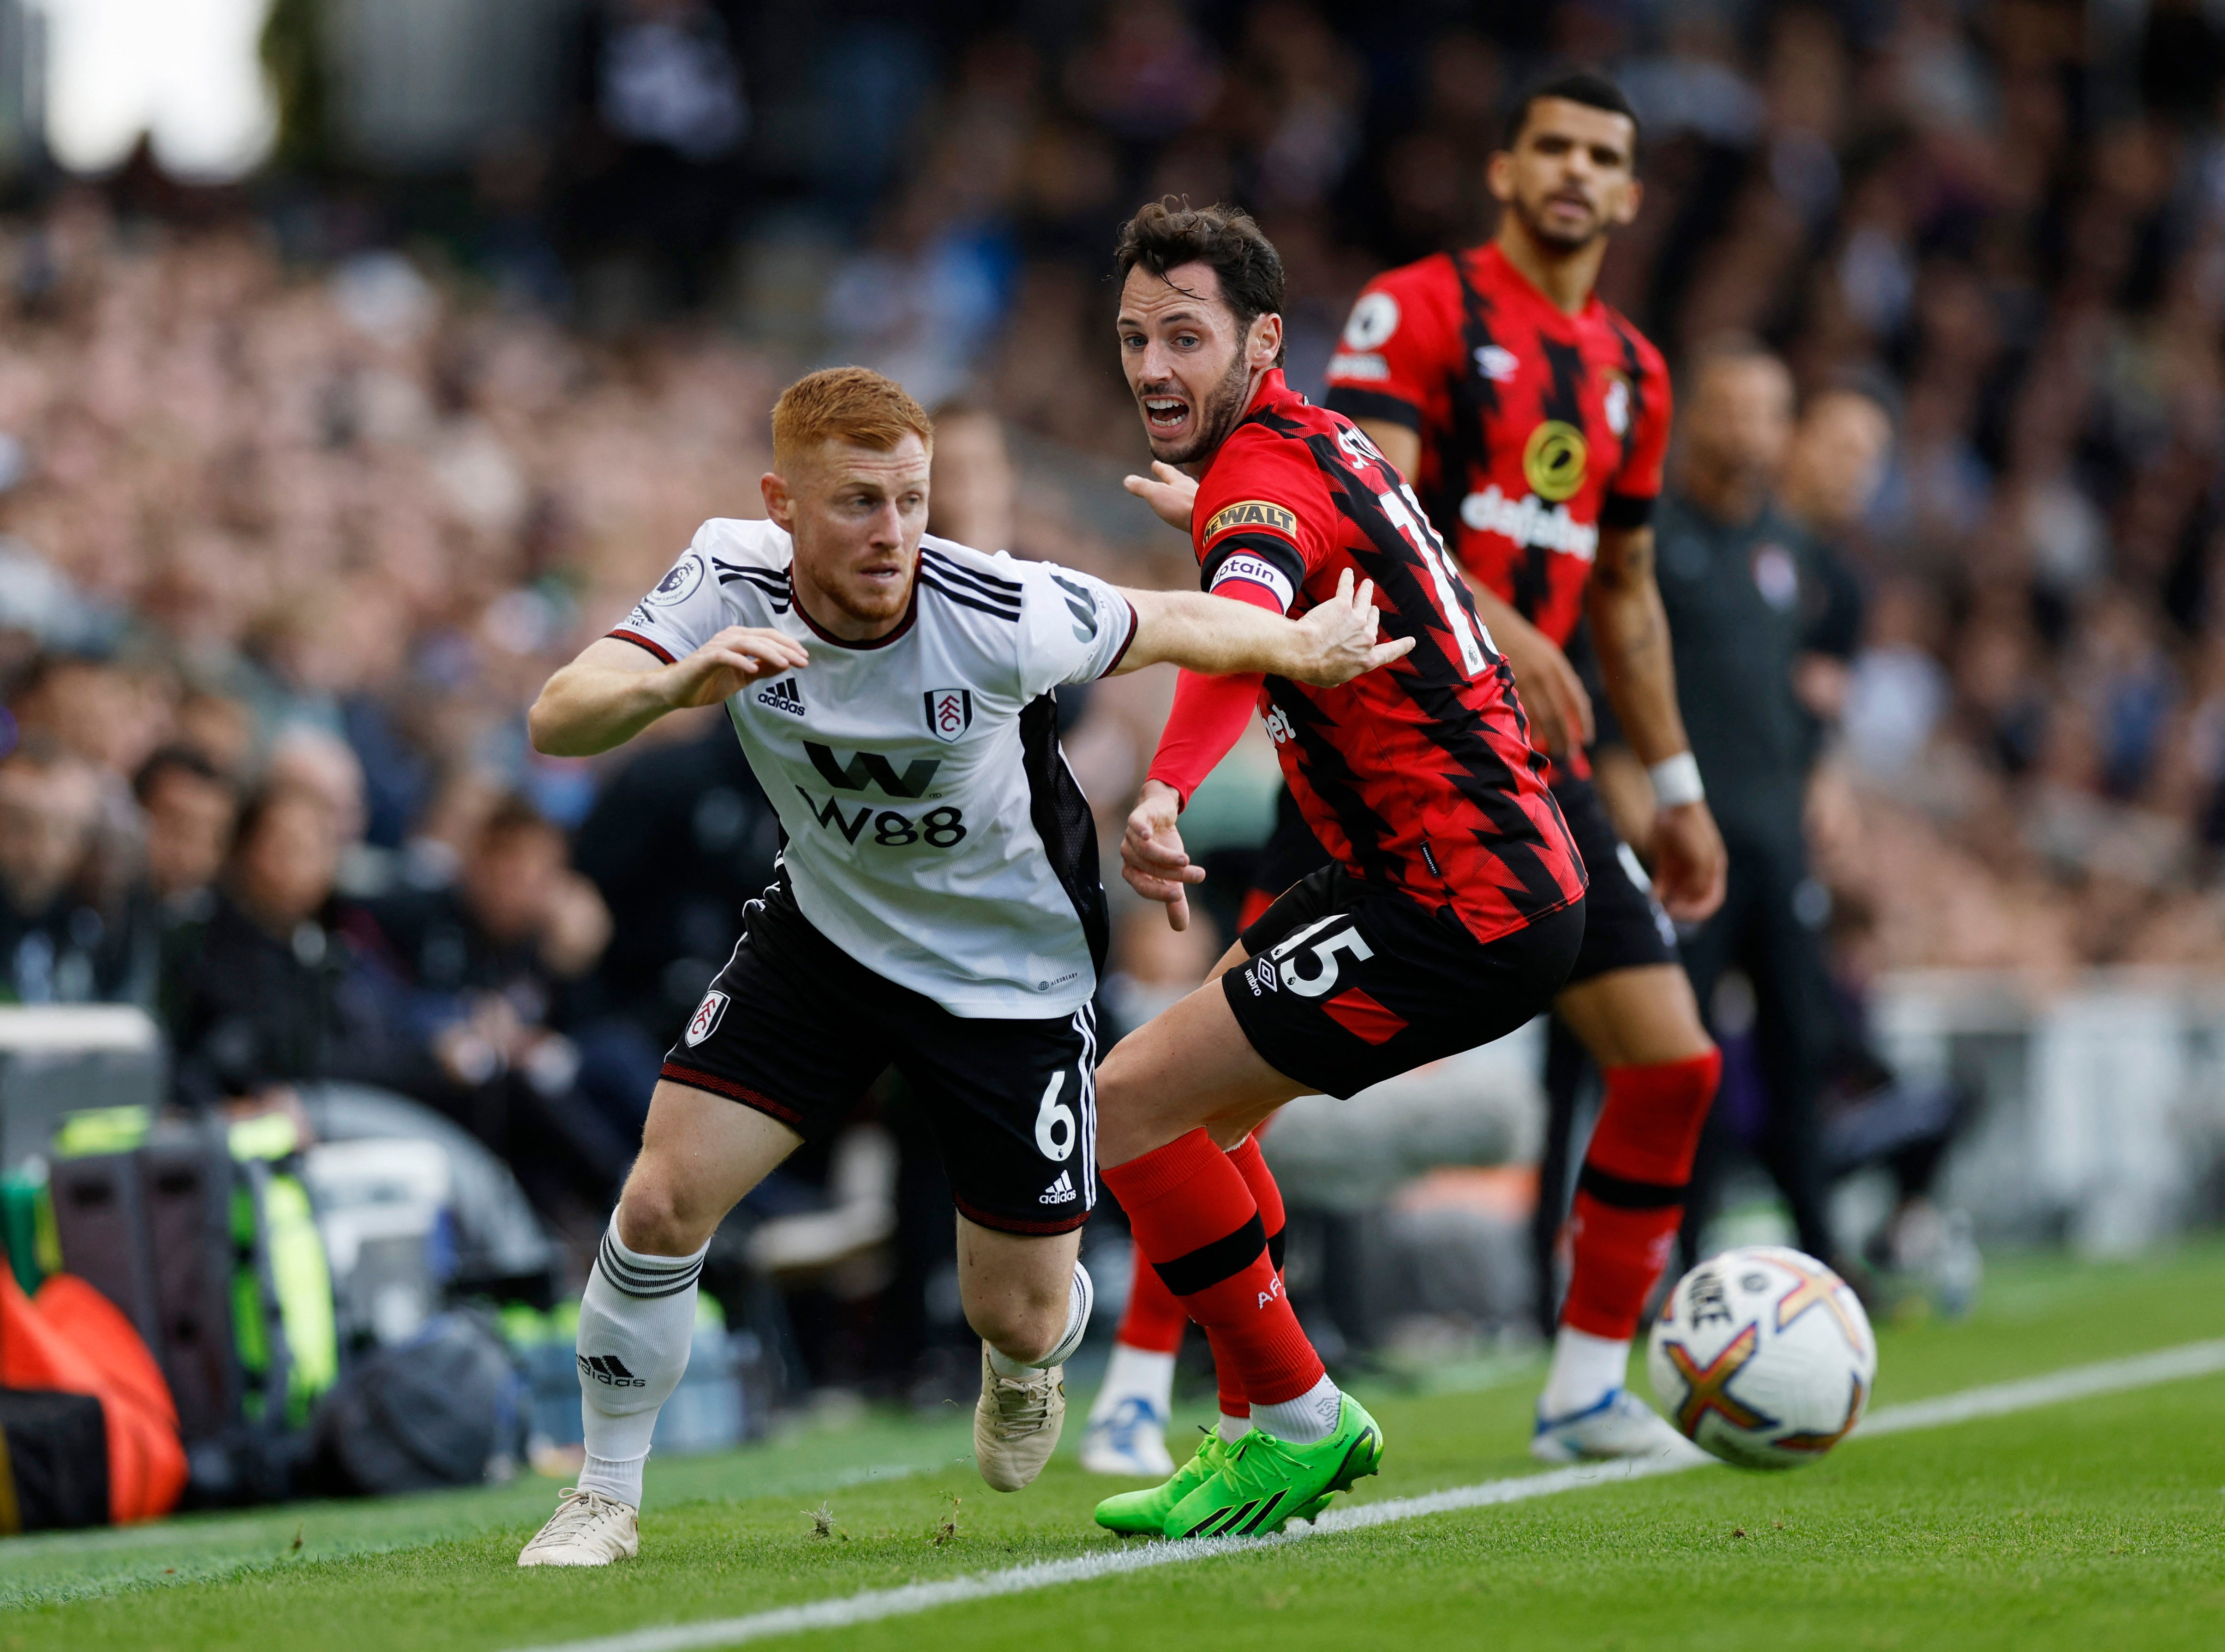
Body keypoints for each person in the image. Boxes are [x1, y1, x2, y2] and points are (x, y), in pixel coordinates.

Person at [511, 365, 1409, 1567]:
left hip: (1009, 975)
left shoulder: (994, 606)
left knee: (1015, 1312)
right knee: (662, 1197)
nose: (891, 533)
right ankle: (603, 1495)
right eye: (856, 502)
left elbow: (1174, 620)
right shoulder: (726, 574)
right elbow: (558, 713)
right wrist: (672, 684)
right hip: (824, 939)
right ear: (782, 504)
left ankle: (1029, 1352)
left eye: (910, 499)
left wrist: (1299, 642)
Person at [1089, 199, 1589, 1541]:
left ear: (1262, 340)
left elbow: (1239, 626)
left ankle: (1300, 1414)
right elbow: (1277, 569)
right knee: (1201, 1112)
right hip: (1437, 871)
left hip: (1455, 896)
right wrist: (1210, 519)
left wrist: (1163, 788)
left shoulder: (1260, 477)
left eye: (1184, 336)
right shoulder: (1310, 440)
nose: (1152, 367)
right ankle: (1255, 1426)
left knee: (1126, 1103)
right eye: (1133, 338)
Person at [1319, 71, 1728, 1463]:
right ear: (1502, 169)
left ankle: (1584, 1389)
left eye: (1601, 156)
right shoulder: (1417, 308)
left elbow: (1624, 587)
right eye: (1550, 146)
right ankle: (1195, 1371)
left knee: (1671, 1063)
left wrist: (1675, 784)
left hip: (1542, 769)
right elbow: (1368, 512)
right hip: (1397, 750)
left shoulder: (1633, 373)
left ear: (1629, 194)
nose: (1573, 171)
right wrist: (1498, 623)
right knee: (1244, 1070)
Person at [1641, 339, 1841, 1265]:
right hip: (1691, 839)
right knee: (1683, 1059)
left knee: (1799, 1047)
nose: (1748, 429)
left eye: (1766, 411)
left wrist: (1822, 777)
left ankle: (1822, 1251)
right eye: (1731, 408)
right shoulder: (1654, 540)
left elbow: (1800, 692)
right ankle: (1679, 1259)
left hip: (1777, 839)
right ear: (1695, 417)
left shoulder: (1788, 548)